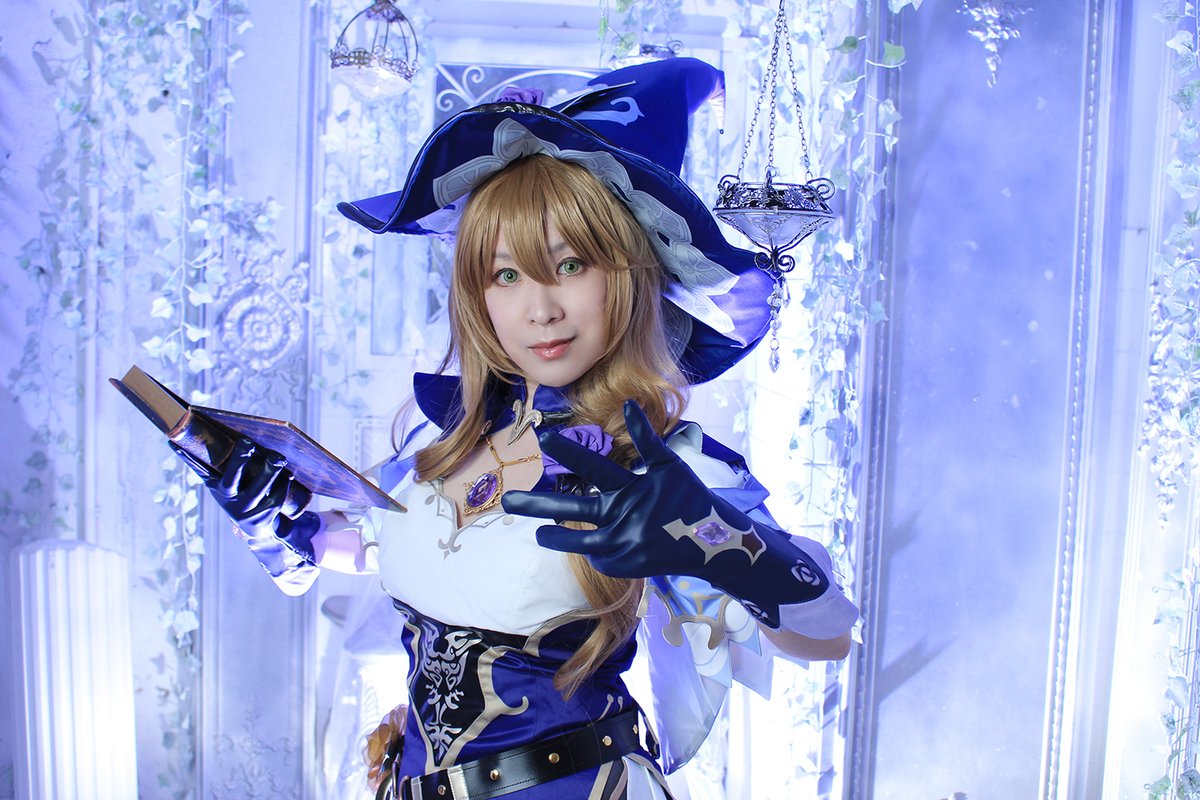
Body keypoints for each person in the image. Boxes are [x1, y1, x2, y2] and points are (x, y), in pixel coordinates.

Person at [181, 57, 858, 800]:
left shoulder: (662, 467)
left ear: (633, 275)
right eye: (506, 275)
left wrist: (710, 537)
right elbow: (376, 549)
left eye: (571, 265)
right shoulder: (442, 442)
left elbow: (826, 635)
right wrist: (275, 517)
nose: (540, 310)